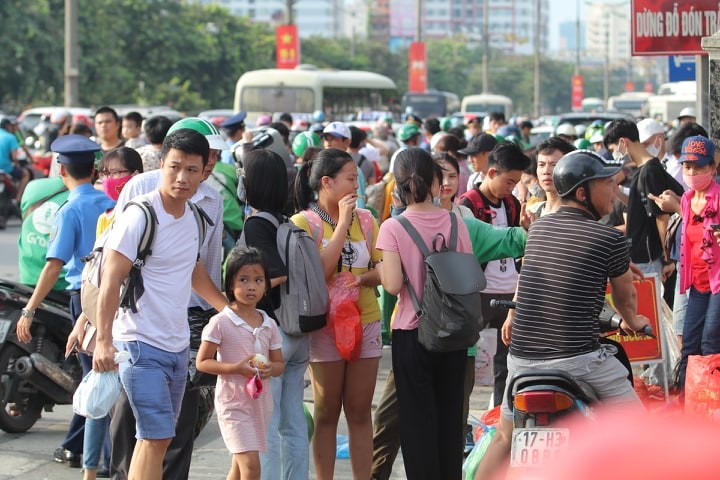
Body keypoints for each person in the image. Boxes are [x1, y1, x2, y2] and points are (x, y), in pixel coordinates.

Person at [474, 150, 651, 479]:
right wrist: (635, 321)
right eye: (606, 184)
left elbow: (527, 280)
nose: (613, 190)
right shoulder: (610, 238)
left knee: (503, 437)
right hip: (578, 360)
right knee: (638, 433)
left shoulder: (537, 230)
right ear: (582, 192)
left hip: (522, 361)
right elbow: (626, 302)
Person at [91, 129, 228, 480]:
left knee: (155, 439)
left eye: (191, 170)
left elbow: (194, 270)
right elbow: (111, 280)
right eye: (174, 167)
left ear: (204, 172)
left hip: (177, 345)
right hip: (138, 343)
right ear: (161, 165)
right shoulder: (141, 215)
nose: (182, 178)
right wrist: (104, 340)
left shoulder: (196, 219)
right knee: (157, 435)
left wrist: (230, 312)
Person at [14, 135, 116, 469]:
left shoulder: (69, 209)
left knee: (95, 381)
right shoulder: (107, 203)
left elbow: (54, 264)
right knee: (104, 377)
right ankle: (93, 454)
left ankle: (99, 461)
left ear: (61, 169)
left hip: (84, 299)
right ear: (94, 168)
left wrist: (29, 309)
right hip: (113, 296)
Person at [375, 147, 472, 479]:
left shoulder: (393, 227)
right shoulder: (456, 222)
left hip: (412, 333)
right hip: (454, 334)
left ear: (399, 185)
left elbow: (390, 285)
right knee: (450, 420)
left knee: (417, 424)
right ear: (435, 183)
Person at [292, 148, 382, 480]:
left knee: (359, 411)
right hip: (323, 326)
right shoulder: (304, 222)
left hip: (366, 320)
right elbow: (319, 271)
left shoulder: (369, 219)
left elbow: (383, 268)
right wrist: (343, 222)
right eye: (350, 178)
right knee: (327, 411)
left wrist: (361, 279)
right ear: (326, 183)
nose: (357, 185)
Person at [65, 147, 144, 480]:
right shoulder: (106, 218)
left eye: (118, 173)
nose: (112, 180)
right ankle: (91, 472)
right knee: (100, 397)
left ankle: (120, 469)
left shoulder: (144, 216)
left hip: (138, 327)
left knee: (127, 410)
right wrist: (85, 321)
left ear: (137, 176)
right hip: (105, 324)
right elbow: (98, 281)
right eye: (107, 173)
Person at [238, 149, 308, 480]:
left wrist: (242, 293)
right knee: (292, 421)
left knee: (264, 421)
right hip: (298, 331)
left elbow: (274, 274)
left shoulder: (256, 226)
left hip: (271, 335)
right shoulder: (288, 222)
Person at [197, 246, 285, 480]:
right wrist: (236, 368)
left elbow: (279, 365)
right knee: (251, 468)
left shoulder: (269, 324)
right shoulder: (220, 322)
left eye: (258, 280)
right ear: (230, 284)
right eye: (243, 280)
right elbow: (203, 362)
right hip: (233, 405)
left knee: (238, 469)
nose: (251, 287)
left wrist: (268, 370)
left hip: (260, 404)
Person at [458, 142, 529, 408]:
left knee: (506, 361)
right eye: (509, 181)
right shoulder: (469, 204)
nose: (512, 187)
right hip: (480, 291)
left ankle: (500, 413)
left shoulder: (513, 203)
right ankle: (463, 417)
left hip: (509, 289)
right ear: (491, 173)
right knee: (471, 360)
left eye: (516, 183)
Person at [604, 118, 684, 280]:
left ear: (623, 142)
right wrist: (617, 192)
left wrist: (667, 259)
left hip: (649, 258)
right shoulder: (642, 171)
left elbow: (661, 217)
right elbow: (639, 206)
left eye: (614, 150)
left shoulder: (650, 172)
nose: (615, 155)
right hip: (642, 256)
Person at [673, 136, 720, 394]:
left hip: (718, 281)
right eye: (687, 166)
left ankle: (713, 406)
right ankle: (686, 402)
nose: (692, 172)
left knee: (711, 342)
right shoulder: (687, 198)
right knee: (689, 345)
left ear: (712, 168)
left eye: (699, 167)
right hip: (697, 283)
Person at [0, 116, 31, 202]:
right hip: (5, 167)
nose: (16, 127)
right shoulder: (11, 137)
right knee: (25, 174)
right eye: (13, 125)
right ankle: (18, 199)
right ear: (8, 126)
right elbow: (14, 158)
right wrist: (16, 164)